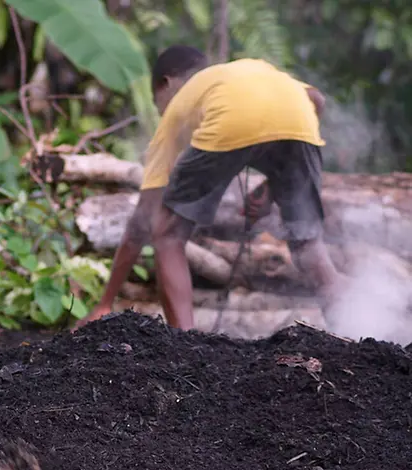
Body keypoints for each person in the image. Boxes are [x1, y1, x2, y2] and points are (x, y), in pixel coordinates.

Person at [76, 46, 341, 331]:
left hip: (231, 120)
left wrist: (105, 302)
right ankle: (357, 332)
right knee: (308, 245)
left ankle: (184, 346)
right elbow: (316, 100)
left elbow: (143, 219)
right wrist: (273, 185)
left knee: (166, 234)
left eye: (157, 104)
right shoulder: (248, 71)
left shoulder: (178, 110)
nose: (161, 111)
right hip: (300, 118)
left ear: (166, 85)